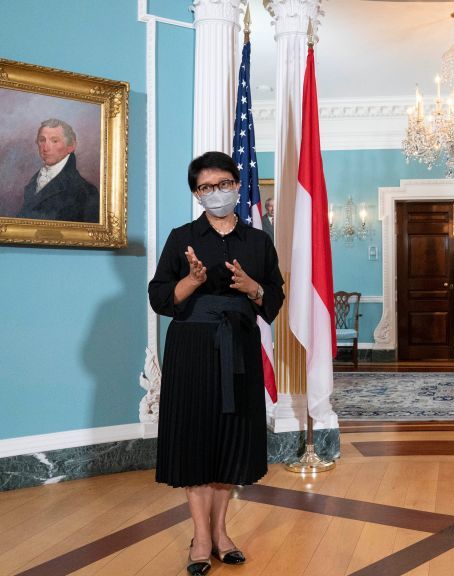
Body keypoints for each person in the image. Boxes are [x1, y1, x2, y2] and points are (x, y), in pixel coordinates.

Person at [148, 151, 284, 576]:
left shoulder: (258, 241)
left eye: (223, 184)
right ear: (196, 194)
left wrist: (254, 288)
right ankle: (201, 539)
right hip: (191, 348)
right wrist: (191, 281)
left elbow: (275, 298)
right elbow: (159, 297)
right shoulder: (182, 238)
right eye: (206, 187)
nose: (216, 193)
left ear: (237, 185)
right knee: (195, 439)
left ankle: (222, 533)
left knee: (230, 440)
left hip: (239, 348)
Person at [18, 118, 99, 223]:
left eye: (54, 141)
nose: (45, 148)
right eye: (42, 140)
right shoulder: (34, 181)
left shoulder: (86, 192)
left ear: (71, 146)